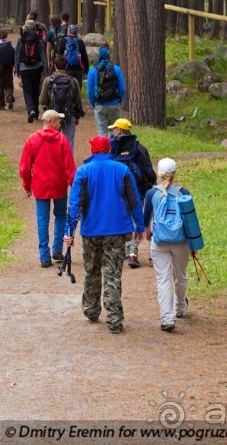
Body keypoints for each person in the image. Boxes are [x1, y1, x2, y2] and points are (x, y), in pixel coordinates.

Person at [65, 135, 145, 334]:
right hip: (117, 231)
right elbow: (134, 200)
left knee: (91, 270)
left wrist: (69, 232)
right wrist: (140, 226)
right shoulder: (122, 169)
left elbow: (75, 204)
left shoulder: (83, 172)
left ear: (92, 150)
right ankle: (114, 319)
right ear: (109, 149)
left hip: (91, 230)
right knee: (112, 274)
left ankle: (91, 310)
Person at [19, 110, 76, 268]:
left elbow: (24, 167)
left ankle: (44, 256)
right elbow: (69, 167)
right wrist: (75, 185)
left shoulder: (32, 140)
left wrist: (27, 185)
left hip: (40, 185)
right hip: (59, 184)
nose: (60, 123)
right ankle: (57, 249)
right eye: (58, 120)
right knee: (61, 216)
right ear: (52, 122)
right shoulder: (62, 140)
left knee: (42, 220)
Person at [143, 158, 191, 332]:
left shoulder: (151, 194)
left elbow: (146, 219)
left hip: (159, 241)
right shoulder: (183, 192)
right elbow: (190, 220)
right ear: (175, 174)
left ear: (159, 173)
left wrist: (148, 233)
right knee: (180, 276)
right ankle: (180, 308)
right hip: (181, 241)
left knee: (163, 280)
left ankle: (167, 318)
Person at [109, 118, 157, 268]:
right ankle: (132, 254)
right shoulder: (139, 147)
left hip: (118, 190)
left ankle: (125, 249)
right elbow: (148, 169)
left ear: (119, 130)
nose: (113, 131)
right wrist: (151, 182)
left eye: (114, 129)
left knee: (123, 218)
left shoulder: (113, 146)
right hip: (139, 189)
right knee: (137, 219)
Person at [39, 56, 84, 151]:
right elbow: (78, 101)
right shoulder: (73, 81)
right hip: (69, 114)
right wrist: (77, 115)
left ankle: (53, 159)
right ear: (66, 66)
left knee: (51, 141)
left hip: (52, 116)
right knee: (69, 142)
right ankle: (67, 160)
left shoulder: (48, 80)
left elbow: (42, 101)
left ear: (54, 66)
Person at [87, 47, 126, 136]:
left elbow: (90, 92)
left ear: (99, 56)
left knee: (102, 133)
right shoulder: (116, 69)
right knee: (116, 133)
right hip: (114, 104)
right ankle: (115, 145)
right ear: (109, 56)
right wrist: (119, 101)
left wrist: (94, 105)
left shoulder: (92, 71)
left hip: (100, 105)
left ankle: (103, 145)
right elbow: (122, 88)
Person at [14, 20, 47, 123]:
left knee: (27, 91)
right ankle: (36, 113)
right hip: (37, 69)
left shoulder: (21, 39)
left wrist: (17, 69)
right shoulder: (39, 39)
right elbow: (43, 56)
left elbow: (17, 55)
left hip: (24, 68)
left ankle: (30, 110)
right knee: (35, 90)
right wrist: (44, 71)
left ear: (26, 27)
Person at [60, 24, 89, 89]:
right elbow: (85, 57)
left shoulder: (63, 41)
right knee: (77, 88)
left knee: (67, 88)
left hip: (66, 68)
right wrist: (86, 70)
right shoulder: (80, 42)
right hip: (78, 69)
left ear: (68, 31)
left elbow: (60, 55)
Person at [0, 27, 16, 110]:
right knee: (9, 84)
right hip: (9, 67)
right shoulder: (11, 44)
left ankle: (1, 105)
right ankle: (9, 96)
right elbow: (15, 54)